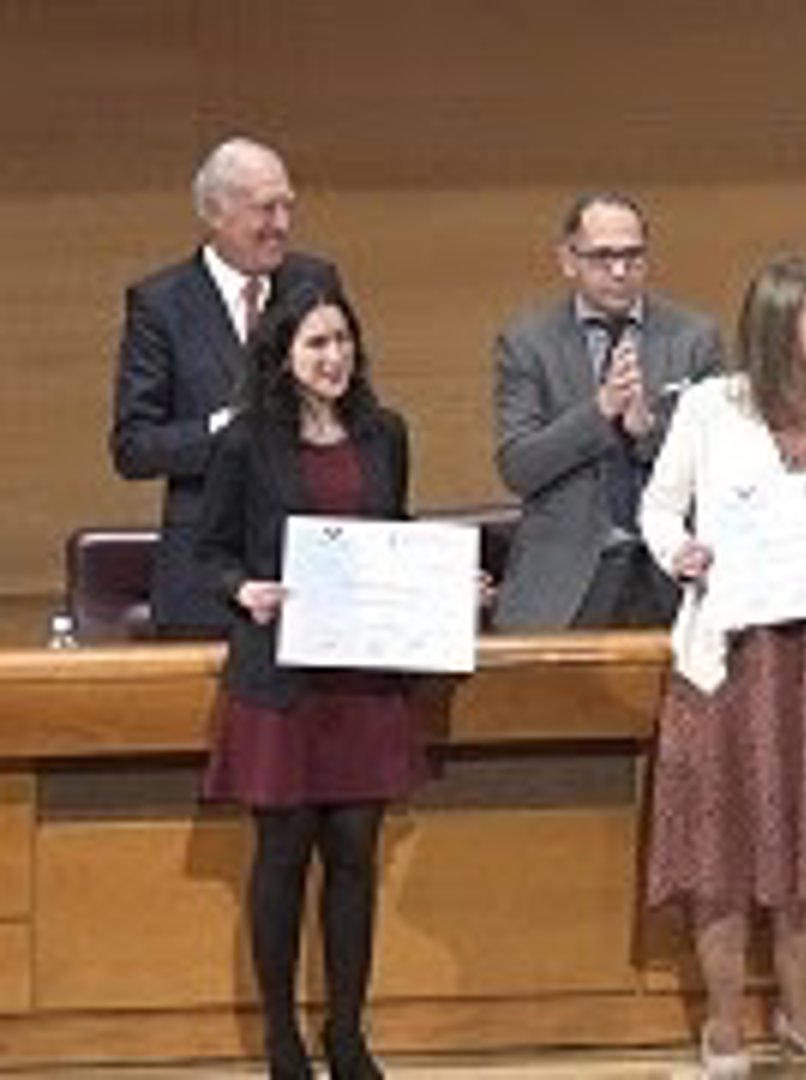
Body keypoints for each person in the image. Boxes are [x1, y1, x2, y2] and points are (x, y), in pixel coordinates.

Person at [640, 257, 806, 1077]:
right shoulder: (710, 408)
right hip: (733, 660)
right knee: (722, 843)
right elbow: (658, 505)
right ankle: (723, 1026)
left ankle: (805, 1017)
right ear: (779, 327)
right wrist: (679, 551)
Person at [196, 284, 422, 1080]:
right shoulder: (245, 441)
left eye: (342, 341)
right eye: (316, 344)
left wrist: (441, 584)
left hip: (365, 676)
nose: (334, 357)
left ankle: (347, 1034)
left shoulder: (385, 432)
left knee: (355, 853)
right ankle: (281, 1037)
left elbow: (395, 534)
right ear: (283, 355)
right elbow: (208, 551)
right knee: (284, 854)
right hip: (283, 679)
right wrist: (242, 590)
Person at [113, 136, 342, 636]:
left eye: (288, 206)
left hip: (310, 570)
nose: (282, 224)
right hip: (205, 579)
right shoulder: (161, 304)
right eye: (266, 208)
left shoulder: (315, 281)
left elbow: (349, 401)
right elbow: (135, 448)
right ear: (215, 212)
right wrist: (228, 427)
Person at [493, 192, 724, 630]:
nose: (619, 271)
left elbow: (718, 460)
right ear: (569, 260)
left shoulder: (694, 338)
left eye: (632, 256)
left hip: (672, 570)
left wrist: (647, 431)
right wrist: (599, 412)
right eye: (602, 257)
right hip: (568, 576)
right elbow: (518, 467)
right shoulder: (528, 343)